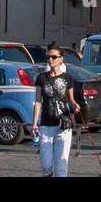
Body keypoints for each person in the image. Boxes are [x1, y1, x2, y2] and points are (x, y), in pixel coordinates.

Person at [31, 43, 80, 176]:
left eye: (53, 57)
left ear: (61, 59)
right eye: (48, 57)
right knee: (46, 164)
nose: (50, 60)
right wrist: (34, 123)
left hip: (63, 124)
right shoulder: (41, 78)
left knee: (61, 164)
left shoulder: (68, 78)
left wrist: (75, 106)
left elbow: (71, 100)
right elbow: (37, 101)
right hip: (46, 124)